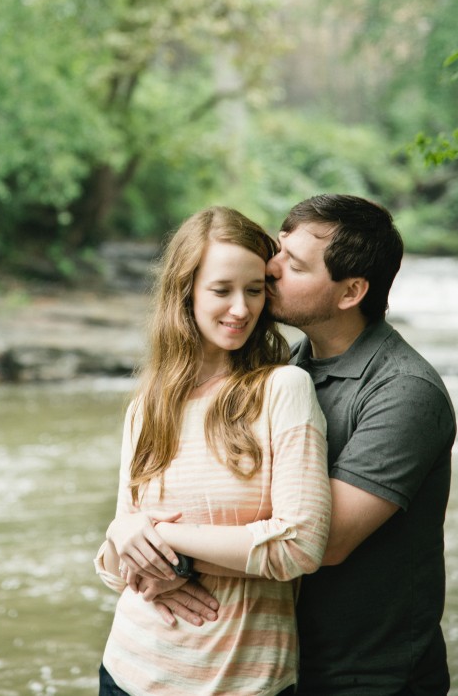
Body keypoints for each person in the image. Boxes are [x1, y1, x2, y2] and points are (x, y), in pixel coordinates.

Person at [94, 206, 332, 696]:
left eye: (254, 289)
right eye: (222, 290)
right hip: (129, 671)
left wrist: (161, 541)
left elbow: (298, 546)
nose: (241, 309)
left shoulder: (283, 389)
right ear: (187, 292)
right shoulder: (148, 406)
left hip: (244, 682)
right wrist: (123, 530)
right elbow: (115, 567)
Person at [264, 194, 456, 695]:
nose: (270, 268)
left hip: (371, 678)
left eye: (294, 264)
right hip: (282, 662)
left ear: (351, 291)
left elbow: (321, 542)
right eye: (279, 249)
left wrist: (172, 543)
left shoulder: (404, 391)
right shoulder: (287, 366)